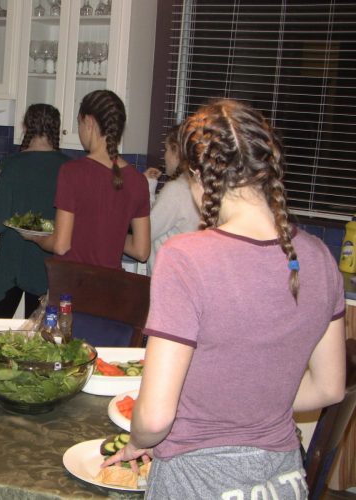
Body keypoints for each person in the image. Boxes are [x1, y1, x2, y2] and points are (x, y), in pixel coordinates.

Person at [102, 99, 346, 498]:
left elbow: (155, 415)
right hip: (281, 481)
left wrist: (140, 442)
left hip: (198, 481)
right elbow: (330, 387)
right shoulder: (319, 257)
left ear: (199, 177)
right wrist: (254, 406)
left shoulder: (185, 257)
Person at [27, 90, 150, 269]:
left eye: (79, 123)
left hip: (72, 286)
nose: (79, 131)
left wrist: (37, 237)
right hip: (109, 289)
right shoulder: (139, 181)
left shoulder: (72, 172)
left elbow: (61, 246)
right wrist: (108, 232)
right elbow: (141, 251)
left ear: (89, 122)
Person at [0, 104, 71, 318]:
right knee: (38, 340)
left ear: (25, 126)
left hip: (11, 262)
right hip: (48, 266)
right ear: (57, 129)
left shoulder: (9, 165)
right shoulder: (69, 168)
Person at [145, 125, 200, 274]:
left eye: (167, 149)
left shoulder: (176, 190)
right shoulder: (195, 186)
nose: (165, 156)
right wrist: (150, 187)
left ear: (177, 152)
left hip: (167, 279)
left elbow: (146, 231)